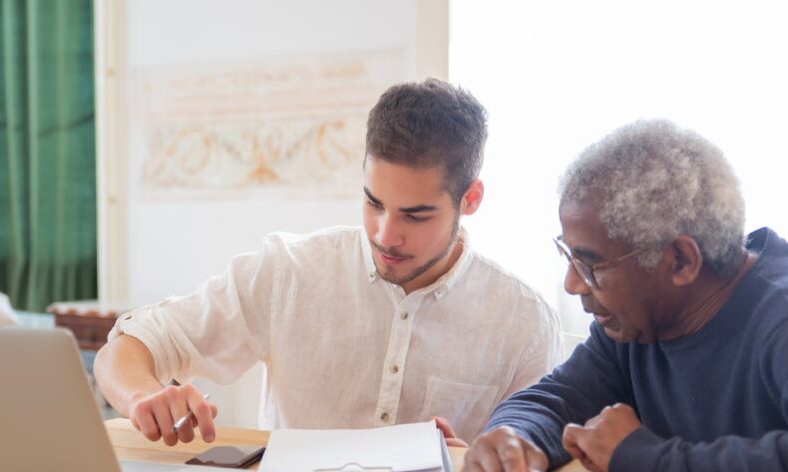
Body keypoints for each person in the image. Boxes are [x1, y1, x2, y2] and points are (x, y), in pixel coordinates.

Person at [94, 78, 561, 449]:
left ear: (471, 199)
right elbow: (128, 345)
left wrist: (478, 465)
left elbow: (530, 457)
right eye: (373, 202)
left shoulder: (523, 320)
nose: (385, 235)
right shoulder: (289, 272)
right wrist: (143, 398)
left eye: (415, 215)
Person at [461, 119, 788, 472]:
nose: (573, 284)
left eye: (591, 265)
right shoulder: (635, 324)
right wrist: (514, 438)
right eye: (569, 256)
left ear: (681, 261)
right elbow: (557, 399)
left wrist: (643, 458)